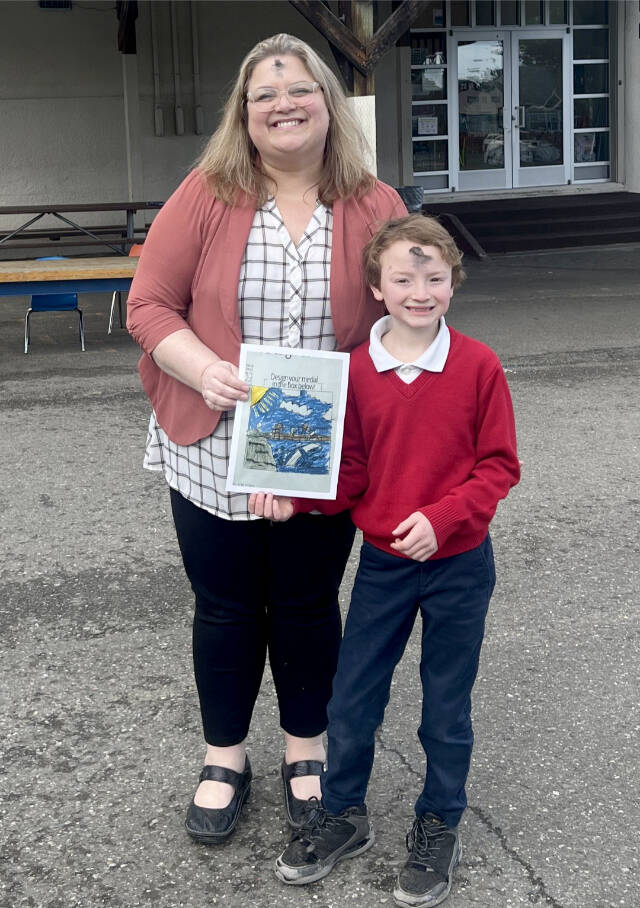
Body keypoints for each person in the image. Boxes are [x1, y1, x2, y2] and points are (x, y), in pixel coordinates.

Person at [126, 33, 407, 845]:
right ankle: (225, 756)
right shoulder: (207, 192)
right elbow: (149, 306)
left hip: (319, 448)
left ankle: (304, 748)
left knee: (309, 603)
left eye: (299, 90)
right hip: (212, 438)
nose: (283, 105)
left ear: (329, 102)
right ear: (244, 117)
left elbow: (410, 315)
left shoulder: (377, 203)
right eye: (264, 96)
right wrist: (201, 366)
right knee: (223, 606)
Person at [250, 214, 520, 906]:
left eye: (434, 277)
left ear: (453, 284)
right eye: (404, 277)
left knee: (445, 707)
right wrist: (296, 498)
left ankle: (439, 822)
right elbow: (351, 471)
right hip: (383, 565)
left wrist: (445, 517)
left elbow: (498, 467)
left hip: (459, 562)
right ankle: (344, 813)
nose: (420, 291)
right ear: (377, 284)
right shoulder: (353, 372)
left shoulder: (478, 366)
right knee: (352, 698)